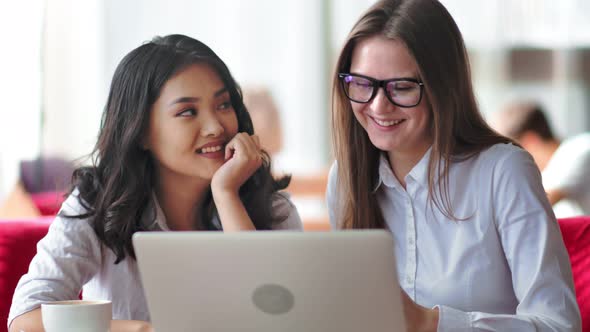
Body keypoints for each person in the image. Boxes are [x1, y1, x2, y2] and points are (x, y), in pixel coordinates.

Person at [8, 34, 302, 332]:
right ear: (141, 131)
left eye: (224, 105)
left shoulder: (274, 208)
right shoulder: (98, 202)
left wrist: (227, 195)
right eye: (188, 112)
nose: (215, 127)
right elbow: (25, 321)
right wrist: (139, 330)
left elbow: (278, 322)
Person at [327, 0, 581, 331]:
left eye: (401, 87)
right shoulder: (346, 179)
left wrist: (432, 323)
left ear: (442, 88)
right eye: (361, 84)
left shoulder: (503, 172)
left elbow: (558, 325)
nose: (377, 105)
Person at [491, 101, 590, 217]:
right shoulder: (550, 170)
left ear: (530, 141)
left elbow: (532, 205)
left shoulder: (577, 150)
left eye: (507, 153)